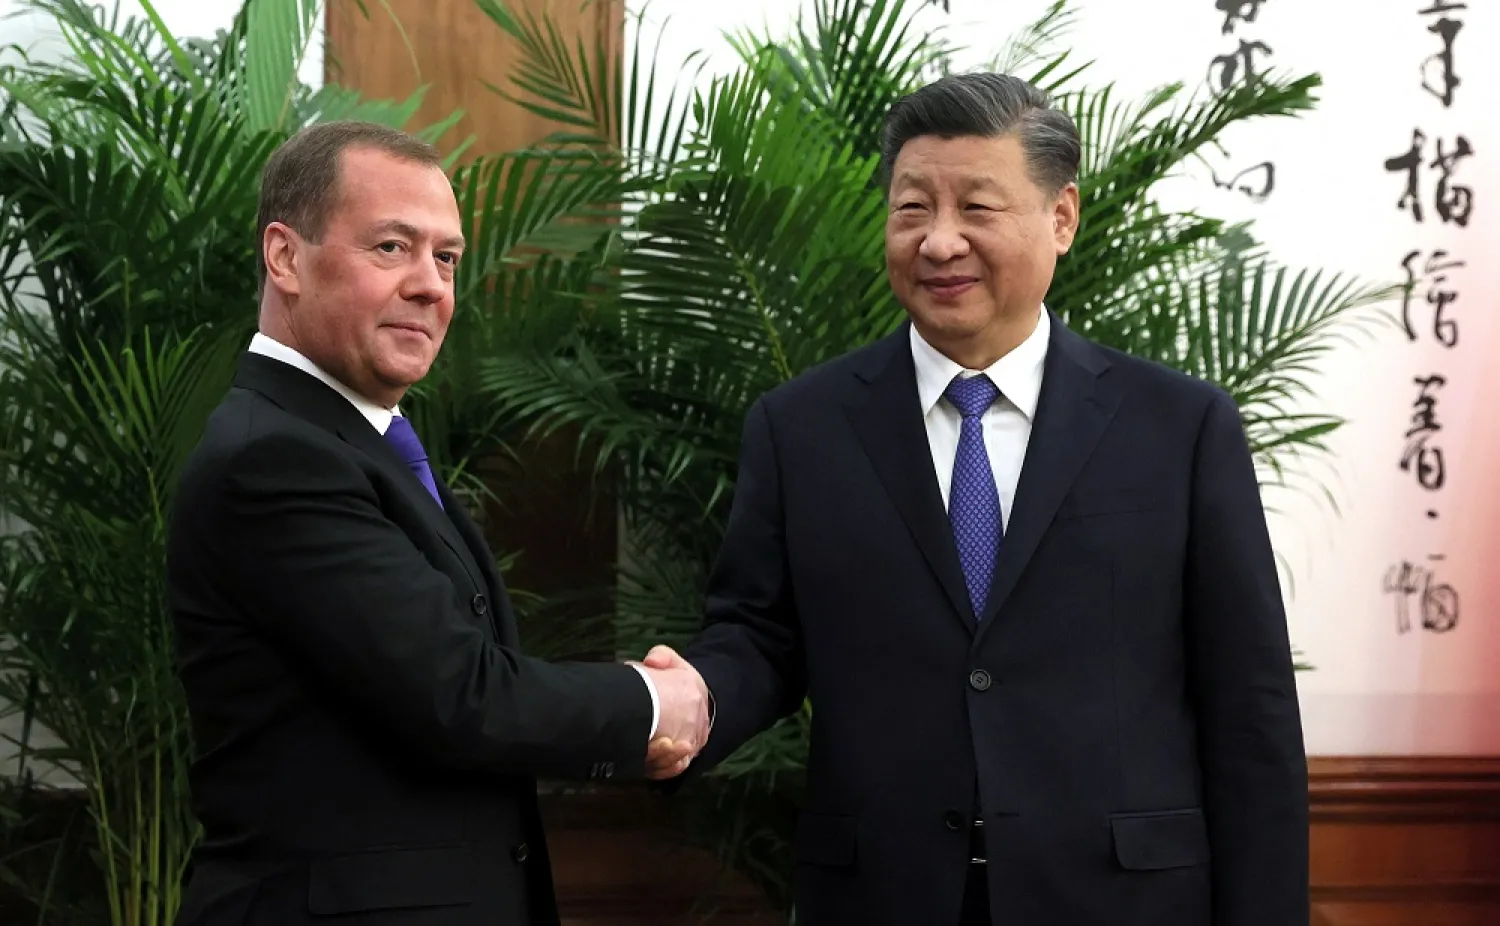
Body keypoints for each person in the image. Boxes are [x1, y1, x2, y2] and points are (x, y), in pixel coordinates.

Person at [642, 73, 1310, 926]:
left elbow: (1248, 704)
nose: (939, 242)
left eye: (977, 209)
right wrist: (690, 701)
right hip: (885, 893)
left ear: (1061, 217)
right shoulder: (802, 426)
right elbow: (761, 635)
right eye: (912, 208)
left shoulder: (1179, 427)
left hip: (1124, 899)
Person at [166, 121, 707, 926]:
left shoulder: (355, 441)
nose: (432, 285)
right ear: (286, 257)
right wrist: (656, 706)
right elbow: (462, 695)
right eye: (392, 247)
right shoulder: (274, 459)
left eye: (446, 258)